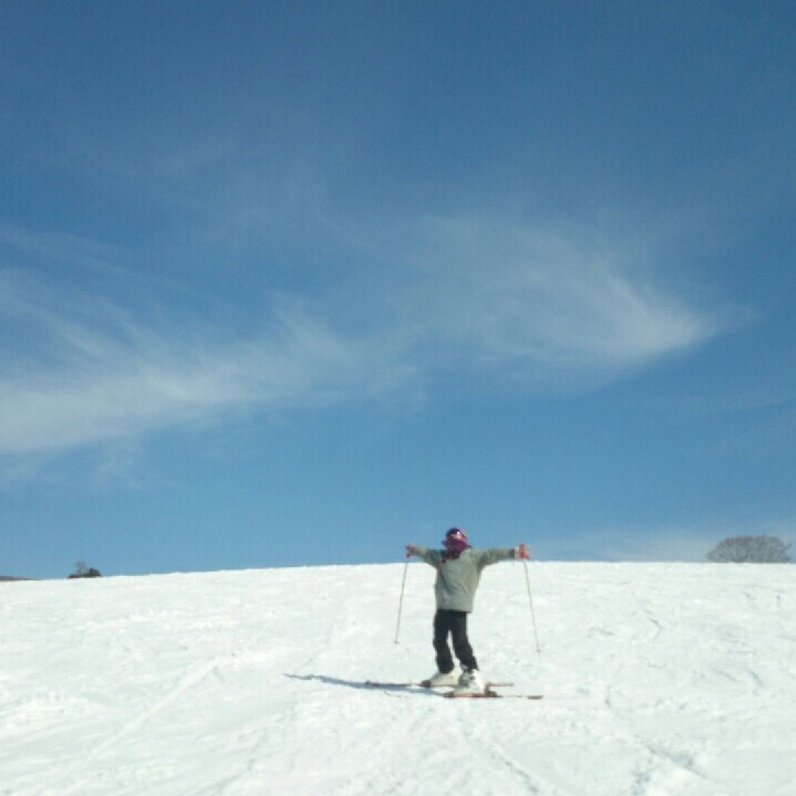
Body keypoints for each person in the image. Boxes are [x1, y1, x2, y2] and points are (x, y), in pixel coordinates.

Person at [405, 527, 529, 694]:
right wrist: (415, 550)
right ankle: (446, 671)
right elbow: (427, 553)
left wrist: (515, 552)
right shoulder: (442, 557)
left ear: (464, 540)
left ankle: (473, 675)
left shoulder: (473, 556)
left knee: (460, 643)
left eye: (457, 540)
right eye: (451, 540)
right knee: (439, 641)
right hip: (442, 606)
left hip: (459, 606)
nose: (453, 544)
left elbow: (493, 554)